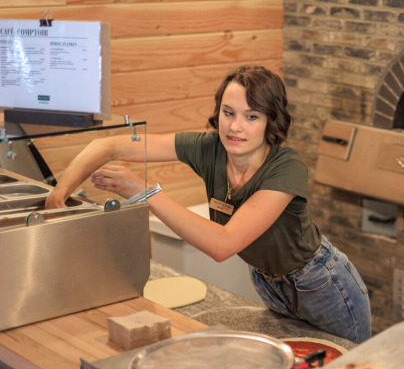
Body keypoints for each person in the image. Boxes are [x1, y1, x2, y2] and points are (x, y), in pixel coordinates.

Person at [46, 66, 372, 344]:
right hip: (270, 285)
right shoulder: (209, 148)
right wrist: (58, 195)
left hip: (324, 286)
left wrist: (145, 192)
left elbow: (222, 244)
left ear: (271, 122)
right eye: (227, 113)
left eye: (251, 116)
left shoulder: (287, 168)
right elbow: (108, 145)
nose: (235, 127)